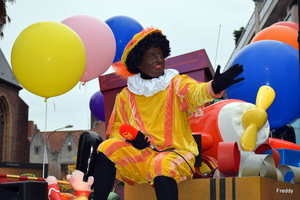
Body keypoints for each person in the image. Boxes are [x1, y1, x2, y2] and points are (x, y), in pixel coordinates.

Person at [93, 27, 244, 200]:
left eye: (160, 55)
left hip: (175, 153)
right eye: (152, 56)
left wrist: (213, 87)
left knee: (161, 165)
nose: (159, 60)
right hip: (141, 157)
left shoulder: (175, 83)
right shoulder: (125, 96)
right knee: (106, 148)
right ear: (138, 63)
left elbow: (195, 92)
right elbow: (116, 131)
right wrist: (131, 139)